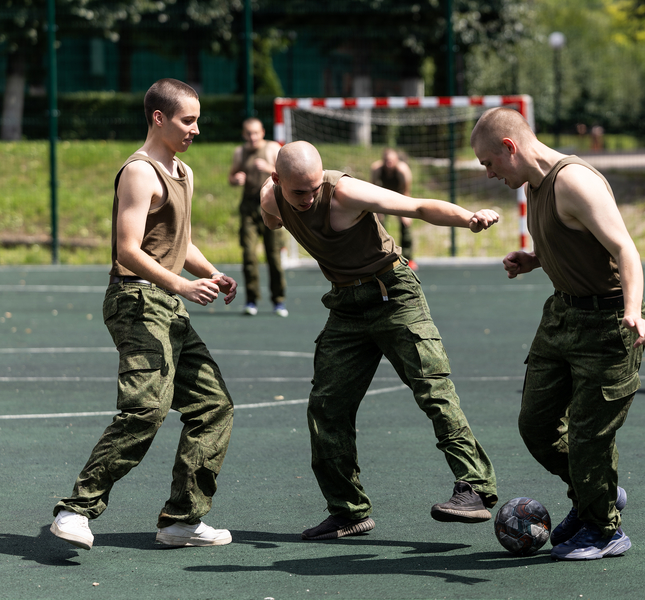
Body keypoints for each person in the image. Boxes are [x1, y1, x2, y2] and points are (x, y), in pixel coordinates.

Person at [259, 141, 499, 540]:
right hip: (345, 306)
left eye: (315, 188)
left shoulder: (345, 192)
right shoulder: (271, 196)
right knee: (326, 408)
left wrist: (468, 218)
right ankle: (348, 511)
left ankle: (475, 488)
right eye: (299, 191)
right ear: (276, 179)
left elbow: (417, 206)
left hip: (394, 294)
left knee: (433, 390)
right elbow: (272, 219)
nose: (309, 198)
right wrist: (275, 211)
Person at [50, 78, 237, 551]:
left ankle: (182, 521)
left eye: (197, 120)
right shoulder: (139, 171)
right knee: (147, 408)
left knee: (213, 406)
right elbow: (128, 249)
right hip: (135, 301)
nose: (196, 129)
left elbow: (178, 240)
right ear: (159, 118)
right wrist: (181, 284)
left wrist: (212, 273)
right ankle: (76, 510)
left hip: (167, 305)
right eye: (187, 120)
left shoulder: (183, 172)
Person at [470, 107, 645, 561]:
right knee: (535, 425)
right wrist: (536, 259)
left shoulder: (574, 182)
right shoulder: (532, 184)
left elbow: (625, 249)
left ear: (510, 147)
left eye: (489, 163)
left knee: (589, 437)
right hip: (562, 316)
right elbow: (574, 238)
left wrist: (633, 311)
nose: (489, 173)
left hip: (609, 322)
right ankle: (596, 493)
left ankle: (604, 530)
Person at [228, 117, 289, 317]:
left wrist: (269, 169)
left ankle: (278, 301)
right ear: (244, 135)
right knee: (249, 255)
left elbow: (287, 175)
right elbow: (231, 177)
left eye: (256, 133)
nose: (252, 137)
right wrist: (236, 179)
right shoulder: (240, 152)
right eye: (248, 133)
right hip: (249, 209)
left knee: (274, 256)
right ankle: (251, 300)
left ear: (262, 132)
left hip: (271, 207)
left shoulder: (272, 148)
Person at [370, 148, 417, 270]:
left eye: (391, 161)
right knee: (377, 224)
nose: (388, 164)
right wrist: (376, 210)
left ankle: (408, 258)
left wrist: (405, 213)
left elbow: (406, 191)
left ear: (396, 160)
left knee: (405, 224)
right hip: (383, 195)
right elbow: (372, 190)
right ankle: (381, 257)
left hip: (399, 195)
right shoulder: (376, 169)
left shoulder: (403, 170)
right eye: (386, 161)